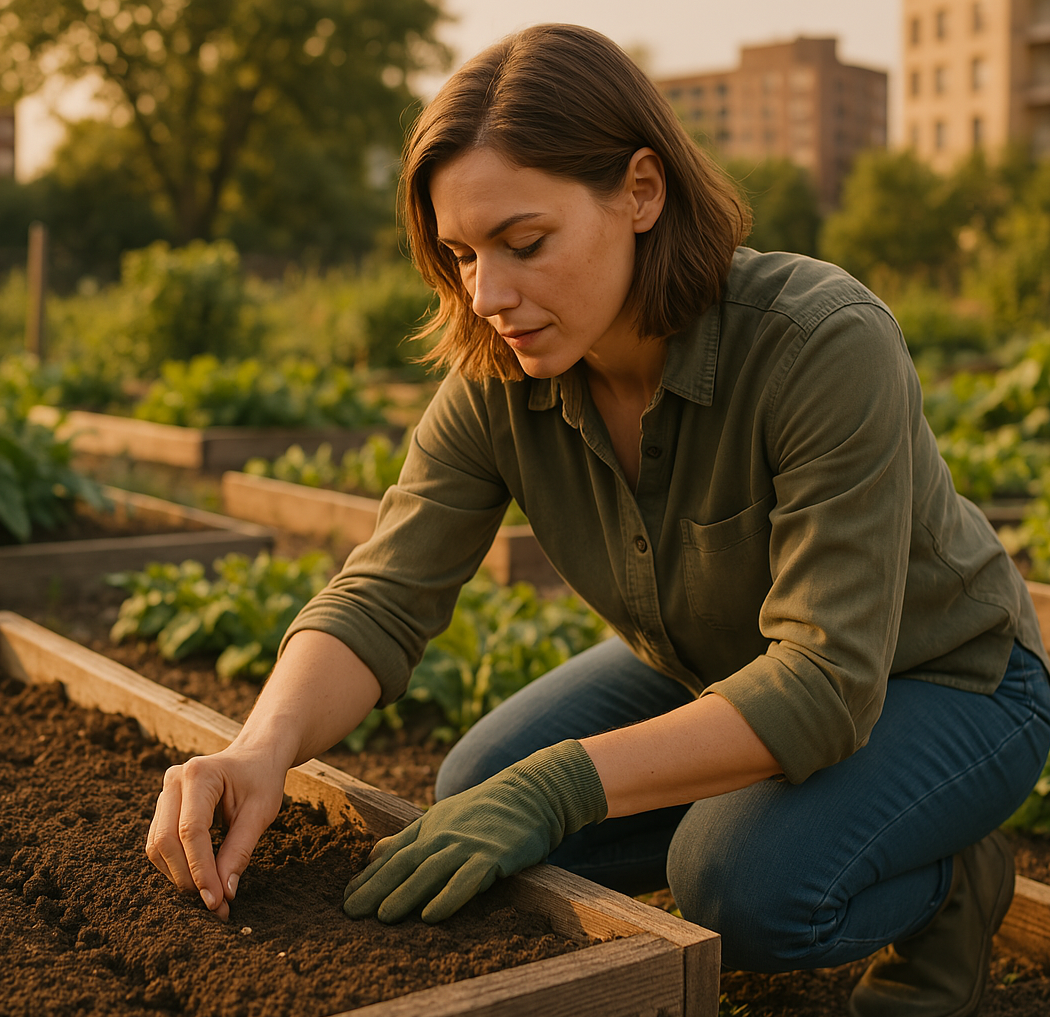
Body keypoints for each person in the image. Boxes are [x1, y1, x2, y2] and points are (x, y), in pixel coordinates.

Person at [145, 23, 1050, 1017]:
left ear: (642, 193)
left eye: (524, 243)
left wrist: (565, 787)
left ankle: (952, 883)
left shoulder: (818, 342)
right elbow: (384, 596)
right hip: (721, 664)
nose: (488, 293)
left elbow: (830, 680)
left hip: (945, 681)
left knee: (738, 885)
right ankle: (779, 807)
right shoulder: (500, 380)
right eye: (461, 254)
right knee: (480, 780)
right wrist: (258, 749)